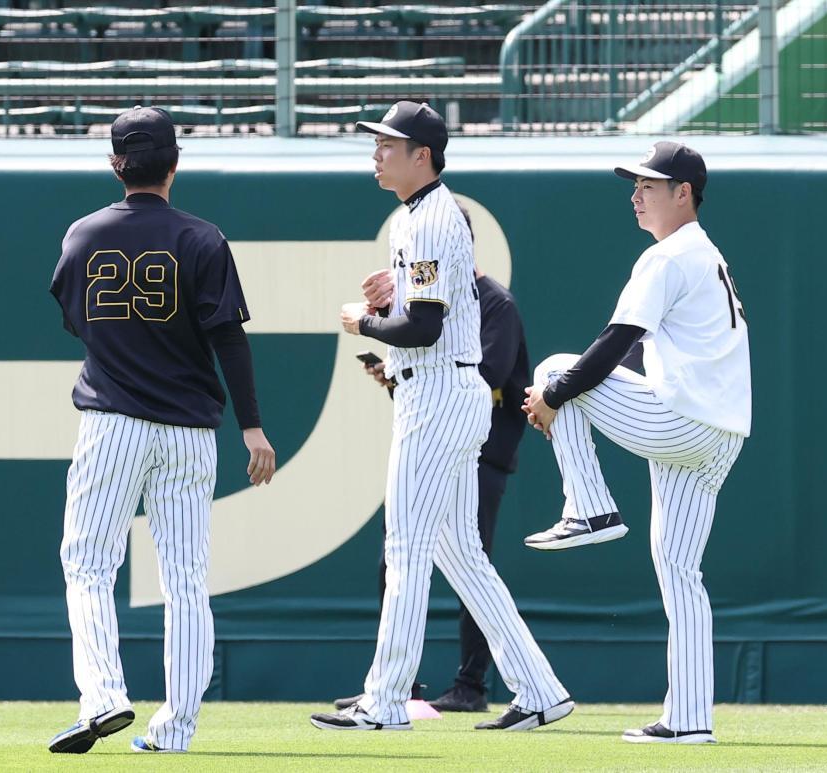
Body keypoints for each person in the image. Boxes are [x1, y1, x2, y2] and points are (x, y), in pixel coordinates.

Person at [310, 100, 571, 732]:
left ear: (420, 155)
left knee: (405, 548)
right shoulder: (426, 215)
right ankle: (541, 689)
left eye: (387, 145)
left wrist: (364, 321)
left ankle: (386, 700)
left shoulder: (428, 219)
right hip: (446, 393)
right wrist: (395, 294)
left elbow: (423, 329)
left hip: (437, 394)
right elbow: (434, 307)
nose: (376, 153)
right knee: (461, 555)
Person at [46, 106, 276, 754]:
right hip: (187, 431)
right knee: (184, 578)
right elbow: (229, 339)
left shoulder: (83, 236)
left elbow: (74, 318)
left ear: (116, 163)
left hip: (113, 423)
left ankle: (104, 695)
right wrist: (252, 426)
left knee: (88, 564)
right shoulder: (202, 238)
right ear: (175, 163)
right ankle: (173, 729)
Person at [522, 141, 750, 744]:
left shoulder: (670, 256)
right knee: (681, 572)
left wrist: (554, 396)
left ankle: (588, 508)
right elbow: (638, 346)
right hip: (721, 435)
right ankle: (689, 719)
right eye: (635, 184)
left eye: (650, 184)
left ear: (684, 194)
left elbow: (615, 339)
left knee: (553, 370)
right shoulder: (705, 254)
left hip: (682, 421)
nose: (636, 193)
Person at [334, 208, 531, 714]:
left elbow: (481, 374)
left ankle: (469, 685)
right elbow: (429, 350)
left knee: (463, 559)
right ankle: (405, 687)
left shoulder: (495, 303)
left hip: (481, 447)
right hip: (447, 429)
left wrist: (372, 324)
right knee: (421, 557)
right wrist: (394, 373)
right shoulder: (437, 293)